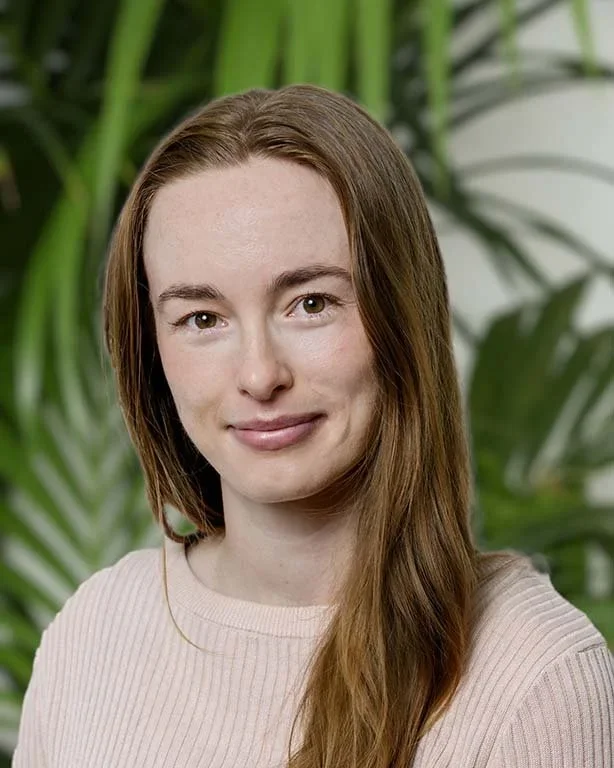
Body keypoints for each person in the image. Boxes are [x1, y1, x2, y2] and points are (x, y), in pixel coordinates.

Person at [12, 84, 614, 768]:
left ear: (402, 320)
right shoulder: (95, 632)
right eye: (202, 319)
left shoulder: (534, 677)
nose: (260, 374)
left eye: (310, 303)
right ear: (153, 350)